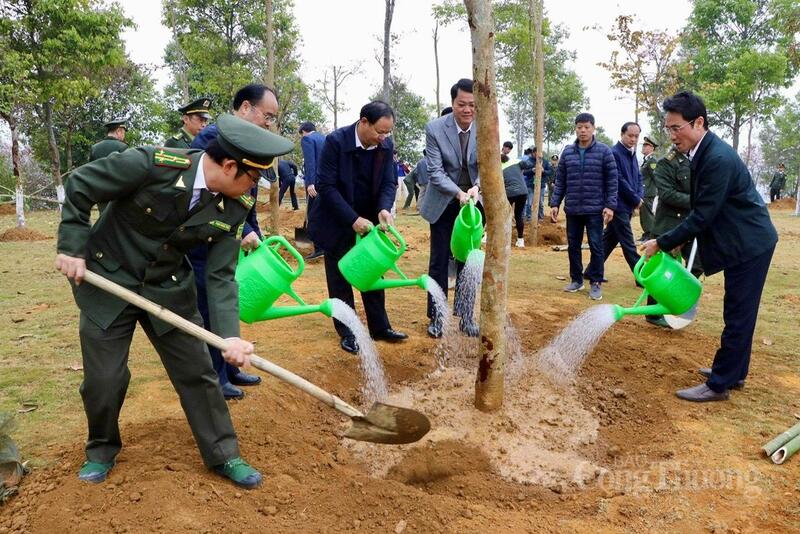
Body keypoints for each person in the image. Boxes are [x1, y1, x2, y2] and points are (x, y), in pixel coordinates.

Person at [54, 113, 295, 488]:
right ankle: (100, 450)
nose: (254, 191)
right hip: (108, 279)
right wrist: (72, 246)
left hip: (168, 287)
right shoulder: (153, 164)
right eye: (252, 180)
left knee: (197, 372)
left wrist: (229, 336)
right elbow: (82, 183)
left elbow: (219, 276)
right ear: (230, 166)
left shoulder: (234, 208)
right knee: (105, 378)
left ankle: (224, 454)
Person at [642, 91, 778, 402]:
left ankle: (718, 385)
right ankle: (734, 372)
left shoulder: (716, 158)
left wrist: (662, 243)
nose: (673, 136)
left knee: (738, 313)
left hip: (750, 243)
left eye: (677, 128)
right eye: (668, 129)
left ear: (699, 122)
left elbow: (702, 214)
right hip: (743, 240)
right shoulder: (703, 151)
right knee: (739, 311)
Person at [190, 84, 278, 400]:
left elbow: (246, 195)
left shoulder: (253, 146)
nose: (269, 123)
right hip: (203, 242)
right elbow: (208, 191)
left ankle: (229, 368)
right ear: (244, 108)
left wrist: (250, 228)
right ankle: (215, 375)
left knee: (228, 300)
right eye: (266, 116)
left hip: (229, 234)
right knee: (209, 307)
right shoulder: (213, 138)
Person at [308, 101, 408, 354]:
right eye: (379, 131)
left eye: (387, 133)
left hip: (368, 217)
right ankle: (348, 331)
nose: (383, 137)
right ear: (363, 122)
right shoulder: (336, 142)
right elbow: (326, 187)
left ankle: (380, 327)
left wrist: (384, 208)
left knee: (373, 270)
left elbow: (389, 183)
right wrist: (352, 219)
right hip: (337, 216)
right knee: (340, 275)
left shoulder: (384, 146)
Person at [419, 78, 482, 338]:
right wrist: (458, 193)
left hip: (475, 203)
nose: (467, 110)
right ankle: (436, 317)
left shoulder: (487, 126)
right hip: (445, 201)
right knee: (440, 261)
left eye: (472, 105)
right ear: (453, 103)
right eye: (461, 104)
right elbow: (434, 171)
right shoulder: (435, 128)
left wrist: (477, 187)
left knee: (470, 261)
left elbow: (489, 165)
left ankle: (466, 317)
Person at [549, 112, 618, 301]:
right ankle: (576, 279)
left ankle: (595, 282)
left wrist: (610, 205)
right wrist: (555, 203)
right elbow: (560, 180)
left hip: (595, 209)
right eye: (579, 127)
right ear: (576, 129)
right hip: (572, 208)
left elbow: (612, 181)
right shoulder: (568, 152)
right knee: (573, 245)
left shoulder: (604, 151)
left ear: (593, 128)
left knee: (596, 245)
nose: (583, 131)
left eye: (587, 127)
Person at [644, 143, 702, 328]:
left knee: (699, 263)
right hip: (669, 224)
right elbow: (667, 194)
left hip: (692, 223)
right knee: (662, 268)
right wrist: (699, 202)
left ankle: (678, 300)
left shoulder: (698, 161)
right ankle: (654, 313)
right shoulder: (665, 163)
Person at [600, 122, 643, 279]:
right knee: (628, 243)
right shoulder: (614, 153)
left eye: (636, 136)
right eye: (630, 135)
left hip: (628, 204)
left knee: (609, 240)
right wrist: (635, 198)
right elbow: (618, 179)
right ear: (622, 134)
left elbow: (638, 177)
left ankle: (592, 270)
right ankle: (642, 276)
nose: (633, 139)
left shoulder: (632, 153)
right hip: (617, 204)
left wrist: (639, 195)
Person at [299, 121, 326, 260]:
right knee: (324, 215)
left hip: (315, 185)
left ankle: (319, 248)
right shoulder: (324, 138)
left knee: (313, 215)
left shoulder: (307, 139)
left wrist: (310, 183)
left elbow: (310, 162)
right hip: (326, 183)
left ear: (303, 131)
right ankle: (326, 246)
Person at [501, 154, 533, 247]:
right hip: (523, 192)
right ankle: (520, 240)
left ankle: (504, 238)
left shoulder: (499, 167)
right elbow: (528, 164)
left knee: (504, 216)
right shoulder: (515, 161)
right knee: (519, 215)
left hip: (509, 193)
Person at [522, 146, 552, 222]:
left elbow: (550, 172)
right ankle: (529, 217)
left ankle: (540, 217)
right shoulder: (528, 161)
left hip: (541, 185)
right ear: (533, 153)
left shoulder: (545, 162)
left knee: (541, 203)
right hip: (530, 185)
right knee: (529, 203)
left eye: (539, 153)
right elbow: (524, 172)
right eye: (536, 153)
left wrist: (543, 171)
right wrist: (532, 170)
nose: (537, 154)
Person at [639, 135, 659, 241]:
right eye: (644, 145)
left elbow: (655, 177)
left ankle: (650, 234)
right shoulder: (646, 160)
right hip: (644, 191)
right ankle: (646, 232)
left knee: (647, 214)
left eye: (647, 145)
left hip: (648, 191)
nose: (644, 147)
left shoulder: (652, 161)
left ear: (652, 148)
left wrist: (658, 190)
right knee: (643, 214)